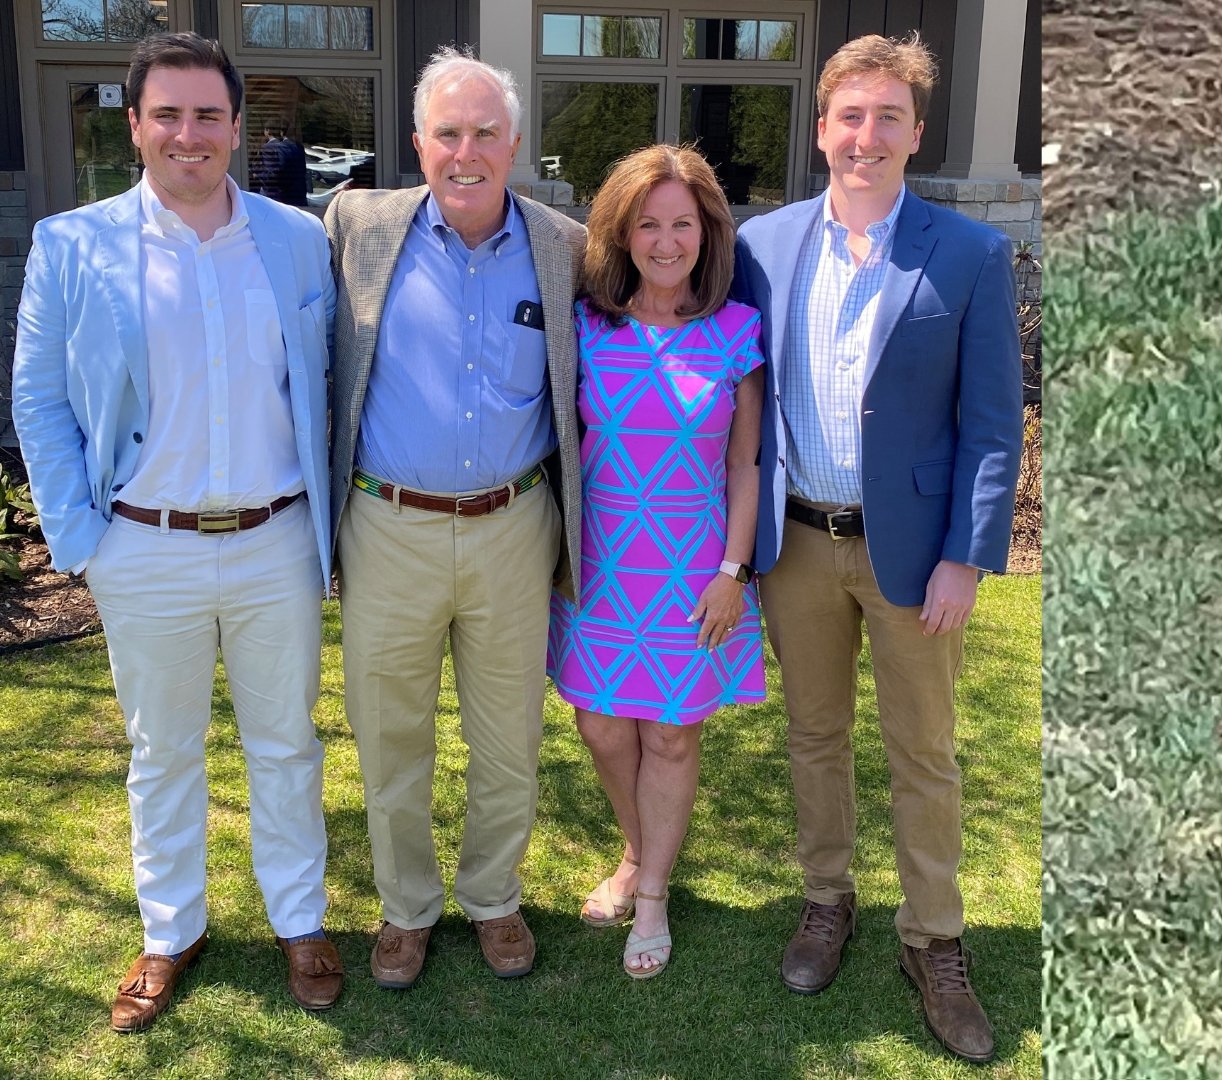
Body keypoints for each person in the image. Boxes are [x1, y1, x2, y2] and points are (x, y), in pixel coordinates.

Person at [10, 32, 340, 1031]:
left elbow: (327, 383)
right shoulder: (71, 245)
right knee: (163, 751)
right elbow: (38, 401)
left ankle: (300, 921)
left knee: (286, 746)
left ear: (238, 127)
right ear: (135, 125)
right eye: (168, 114)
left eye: (208, 115)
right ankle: (170, 931)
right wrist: (81, 541)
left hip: (277, 539)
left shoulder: (296, 240)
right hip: (140, 543)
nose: (188, 134)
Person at [731, 32, 1022, 1063]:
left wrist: (968, 555)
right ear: (821, 131)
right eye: (850, 117)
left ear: (915, 131)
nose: (867, 136)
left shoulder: (971, 254)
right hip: (797, 546)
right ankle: (825, 902)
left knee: (924, 754)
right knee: (814, 738)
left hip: (914, 560)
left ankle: (934, 942)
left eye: (888, 117)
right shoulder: (765, 249)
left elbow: (995, 423)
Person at [323, 45, 585, 988]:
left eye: (485, 133)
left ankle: (494, 897)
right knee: (389, 733)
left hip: (516, 527)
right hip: (387, 525)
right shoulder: (357, 224)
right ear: (417, 141)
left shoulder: (564, 245)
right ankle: (404, 908)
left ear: (514, 142)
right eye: (447, 133)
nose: (465, 152)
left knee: (508, 734)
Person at [548, 144, 766, 978]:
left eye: (683, 224)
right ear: (623, 231)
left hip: (693, 573)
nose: (667, 242)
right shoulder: (585, 325)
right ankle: (641, 851)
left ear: (707, 234)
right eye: (650, 224)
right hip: (599, 567)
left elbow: (744, 467)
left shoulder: (736, 334)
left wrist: (733, 572)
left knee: (671, 739)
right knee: (601, 724)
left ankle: (651, 894)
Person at [253, 123, 308, 207]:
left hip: (283, 195)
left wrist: (257, 175)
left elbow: (276, 172)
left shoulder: (279, 148)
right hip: (300, 193)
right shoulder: (299, 147)